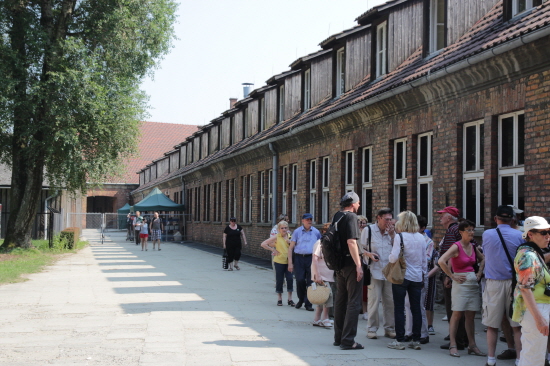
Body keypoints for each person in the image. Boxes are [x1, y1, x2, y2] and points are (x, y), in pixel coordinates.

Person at [482, 205, 524, 366]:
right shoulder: (519, 235)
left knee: (492, 325)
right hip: (515, 284)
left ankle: (491, 360)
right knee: (517, 326)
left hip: (494, 283)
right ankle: (520, 360)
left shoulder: (487, 234)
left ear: (495, 219)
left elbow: (486, 253)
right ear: (513, 219)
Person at [438, 219, 486, 357]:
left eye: (473, 229)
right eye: (469, 230)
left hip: (472, 283)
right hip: (460, 283)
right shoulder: (456, 246)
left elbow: (482, 259)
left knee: (470, 316)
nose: (472, 232)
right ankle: (453, 345)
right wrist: (452, 276)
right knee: (457, 314)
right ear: (461, 232)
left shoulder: (472, 246)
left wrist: (479, 272)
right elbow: (441, 260)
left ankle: (472, 345)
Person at [386, 211, 427, 351]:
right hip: (416, 276)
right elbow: (423, 261)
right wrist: (423, 275)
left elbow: (393, 257)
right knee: (416, 309)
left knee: (399, 308)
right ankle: (416, 339)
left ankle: (399, 340)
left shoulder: (400, 237)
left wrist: (390, 257)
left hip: (402, 276)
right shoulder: (422, 238)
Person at [512, 216, 550, 366]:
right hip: (535, 310)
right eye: (543, 232)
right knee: (533, 357)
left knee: (534, 355)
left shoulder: (533, 253)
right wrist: (539, 319)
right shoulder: (528, 255)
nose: (548, 236)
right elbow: (525, 289)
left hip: (538, 309)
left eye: (549, 232)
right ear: (530, 234)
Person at [332, 192, 364, 350]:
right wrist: (358, 265)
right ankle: (348, 340)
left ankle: (339, 338)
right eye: (358, 203)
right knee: (354, 302)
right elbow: (351, 242)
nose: (359, 205)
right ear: (353, 204)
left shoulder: (337, 215)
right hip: (350, 264)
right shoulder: (351, 217)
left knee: (340, 300)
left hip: (339, 264)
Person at [361, 207, 396, 339]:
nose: (389, 222)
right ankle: (372, 329)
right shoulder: (368, 230)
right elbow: (360, 248)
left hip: (389, 272)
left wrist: (393, 235)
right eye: (386, 219)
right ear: (378, 218)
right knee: (373, 302)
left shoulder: (393, 232)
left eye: (390, 219)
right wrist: (368, 254)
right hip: (374, 271)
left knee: (390, 301)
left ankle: (389, 328)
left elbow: (397, 249)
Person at [437, 206, 468, 350]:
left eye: (442, 215)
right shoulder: (459, 230)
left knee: (453, 308)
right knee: (460, 308)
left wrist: (448, 276)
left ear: (449, 217)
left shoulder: (451, 231)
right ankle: (461, 337)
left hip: (454, 275)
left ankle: (457, 339)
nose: (440, 218)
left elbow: (449, 255)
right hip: (463, 273)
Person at [288, 213, 321, 311]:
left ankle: (308, 303)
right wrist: (290, 262)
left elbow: (320, 247)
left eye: (311, 219)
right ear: (302, 221)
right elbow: (290, 248)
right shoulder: (297, 232)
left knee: (311, 282)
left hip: (311, 258)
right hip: (299, 258)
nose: (309, 221)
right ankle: (301, 299)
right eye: (307, 219)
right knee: (300, 280)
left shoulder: (316, 232)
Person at [260, 221, 294, 307]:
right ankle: (279, 298)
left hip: (288, 261)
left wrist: (290, 243)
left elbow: (295, 246)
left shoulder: (290, 237)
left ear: (288, 229)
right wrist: (273, 250)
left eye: (285, 228)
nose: (284, 230)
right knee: (279, 280)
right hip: (279, 261)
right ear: (279, 229)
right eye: (282, 228)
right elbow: (263, 244)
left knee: (290, 279)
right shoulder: (277, 237)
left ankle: (290, 299)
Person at [311, 223, 334, 327]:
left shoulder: (331, 244)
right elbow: (315, 258)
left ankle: (316, 319)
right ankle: (325, 318)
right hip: (321, 275)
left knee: (322, 297)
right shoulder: (319, 243)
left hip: (329, 274)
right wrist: (317, 274)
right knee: (327, 297)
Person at [357, 215, 369, 321]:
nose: (362, 225)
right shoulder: (354, 234)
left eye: (364, 222)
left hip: (366, 263)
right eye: (360, 222)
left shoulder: (369, 234)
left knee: (365, 287)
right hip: (356, 262)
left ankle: (365, 310)